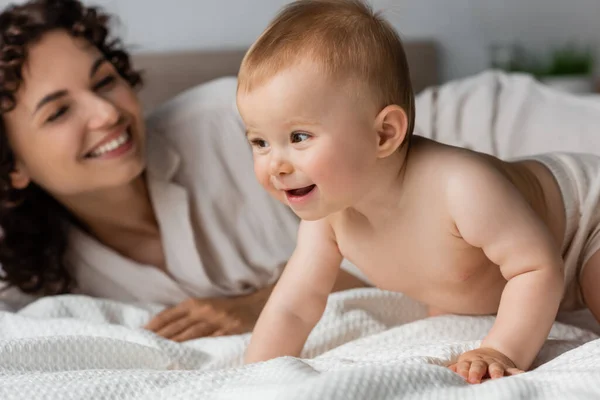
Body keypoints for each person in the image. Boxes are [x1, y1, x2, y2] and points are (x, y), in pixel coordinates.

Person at [237, 0, 600, 384]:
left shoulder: (462, 187)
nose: (275, 164)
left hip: (586, 222)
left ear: (384, 134)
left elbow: (536, 267)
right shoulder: (329, 215)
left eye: (299, 137)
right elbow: (295, 306)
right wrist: (252, 376)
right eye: (259, 142)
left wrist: (501, 350)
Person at [0, 0, 367, 341]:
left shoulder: (239, 123)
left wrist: (259, 305)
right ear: (12, 165)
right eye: (59, 112)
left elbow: (392, 231)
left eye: (105, 82)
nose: (108, 114)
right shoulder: (33, 271)